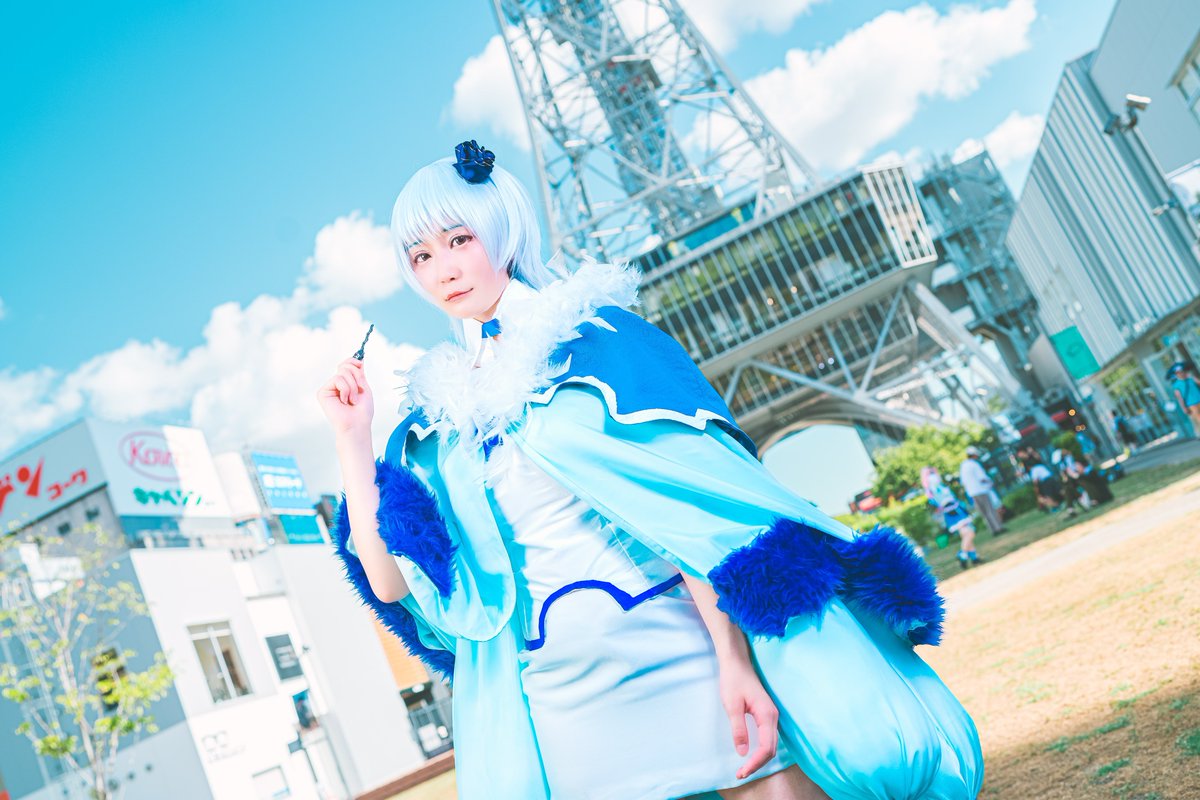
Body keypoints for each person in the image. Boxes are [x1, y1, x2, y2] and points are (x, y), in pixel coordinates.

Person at [317, 142, 983, 800]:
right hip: (560, 697)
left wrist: (733, 660)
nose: (444, 270)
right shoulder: (435, 425)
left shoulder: (598, 343)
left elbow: (688, 515)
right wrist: (353, 438)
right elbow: (389, 581)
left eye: (459, 240)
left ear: (502, 230)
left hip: (677, 644)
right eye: (421, 256)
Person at [921, 466, 979, 569]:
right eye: (930, 473)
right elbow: (942, 501)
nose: (933, 475)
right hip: (953, 511)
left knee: (966, 534)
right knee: (970, 532)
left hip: (954, 510)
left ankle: (974, 557)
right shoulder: (934, 489)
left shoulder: (936, 487)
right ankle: (963, 554)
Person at [959, 446, 1005, 535]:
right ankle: (998, 528)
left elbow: (963, 482)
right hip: (981, 490)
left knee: (984, 513)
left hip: (972, 493)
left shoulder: (963, 466)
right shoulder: (974, 464)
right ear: (974, 455)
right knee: (990, 510)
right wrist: (990, 482)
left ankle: (992, 530)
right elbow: (982, 478)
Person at [1169, 362, 1200, 436]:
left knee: (1196, 420)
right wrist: (1184, 408)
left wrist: (1191, 376)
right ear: (1176, 374)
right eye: (1179, 372)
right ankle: (1198, 433)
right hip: (1191, 404)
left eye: (1182, 371)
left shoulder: (1191, 379)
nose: (1181, 373)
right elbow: (1179, 398)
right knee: (1198, 418)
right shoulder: (1176, 385)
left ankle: (1198, 433)